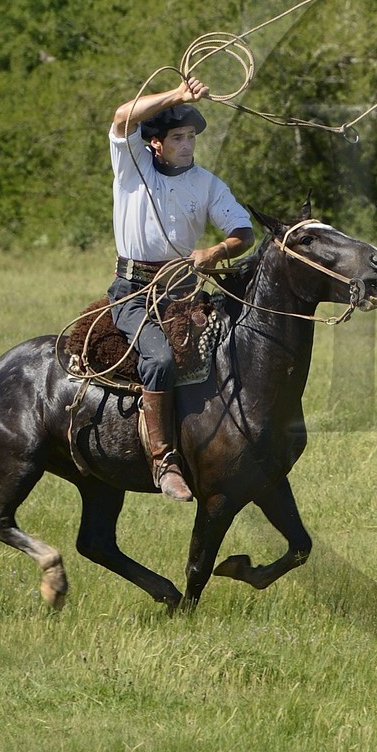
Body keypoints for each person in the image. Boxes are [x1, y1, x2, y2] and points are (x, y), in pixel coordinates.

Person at [109, 77, 253, 501]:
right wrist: (177, 94)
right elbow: (121, 116)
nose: (187, 145)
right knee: (161, 357)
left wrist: (217, 250)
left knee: (233, 350)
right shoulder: (131, 166)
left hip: (184, 289)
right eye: (177, 138)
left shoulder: (207, 183)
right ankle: (163, 461)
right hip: (133, 290)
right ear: (155, 143)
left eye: (190, 137)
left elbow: (243, 231)